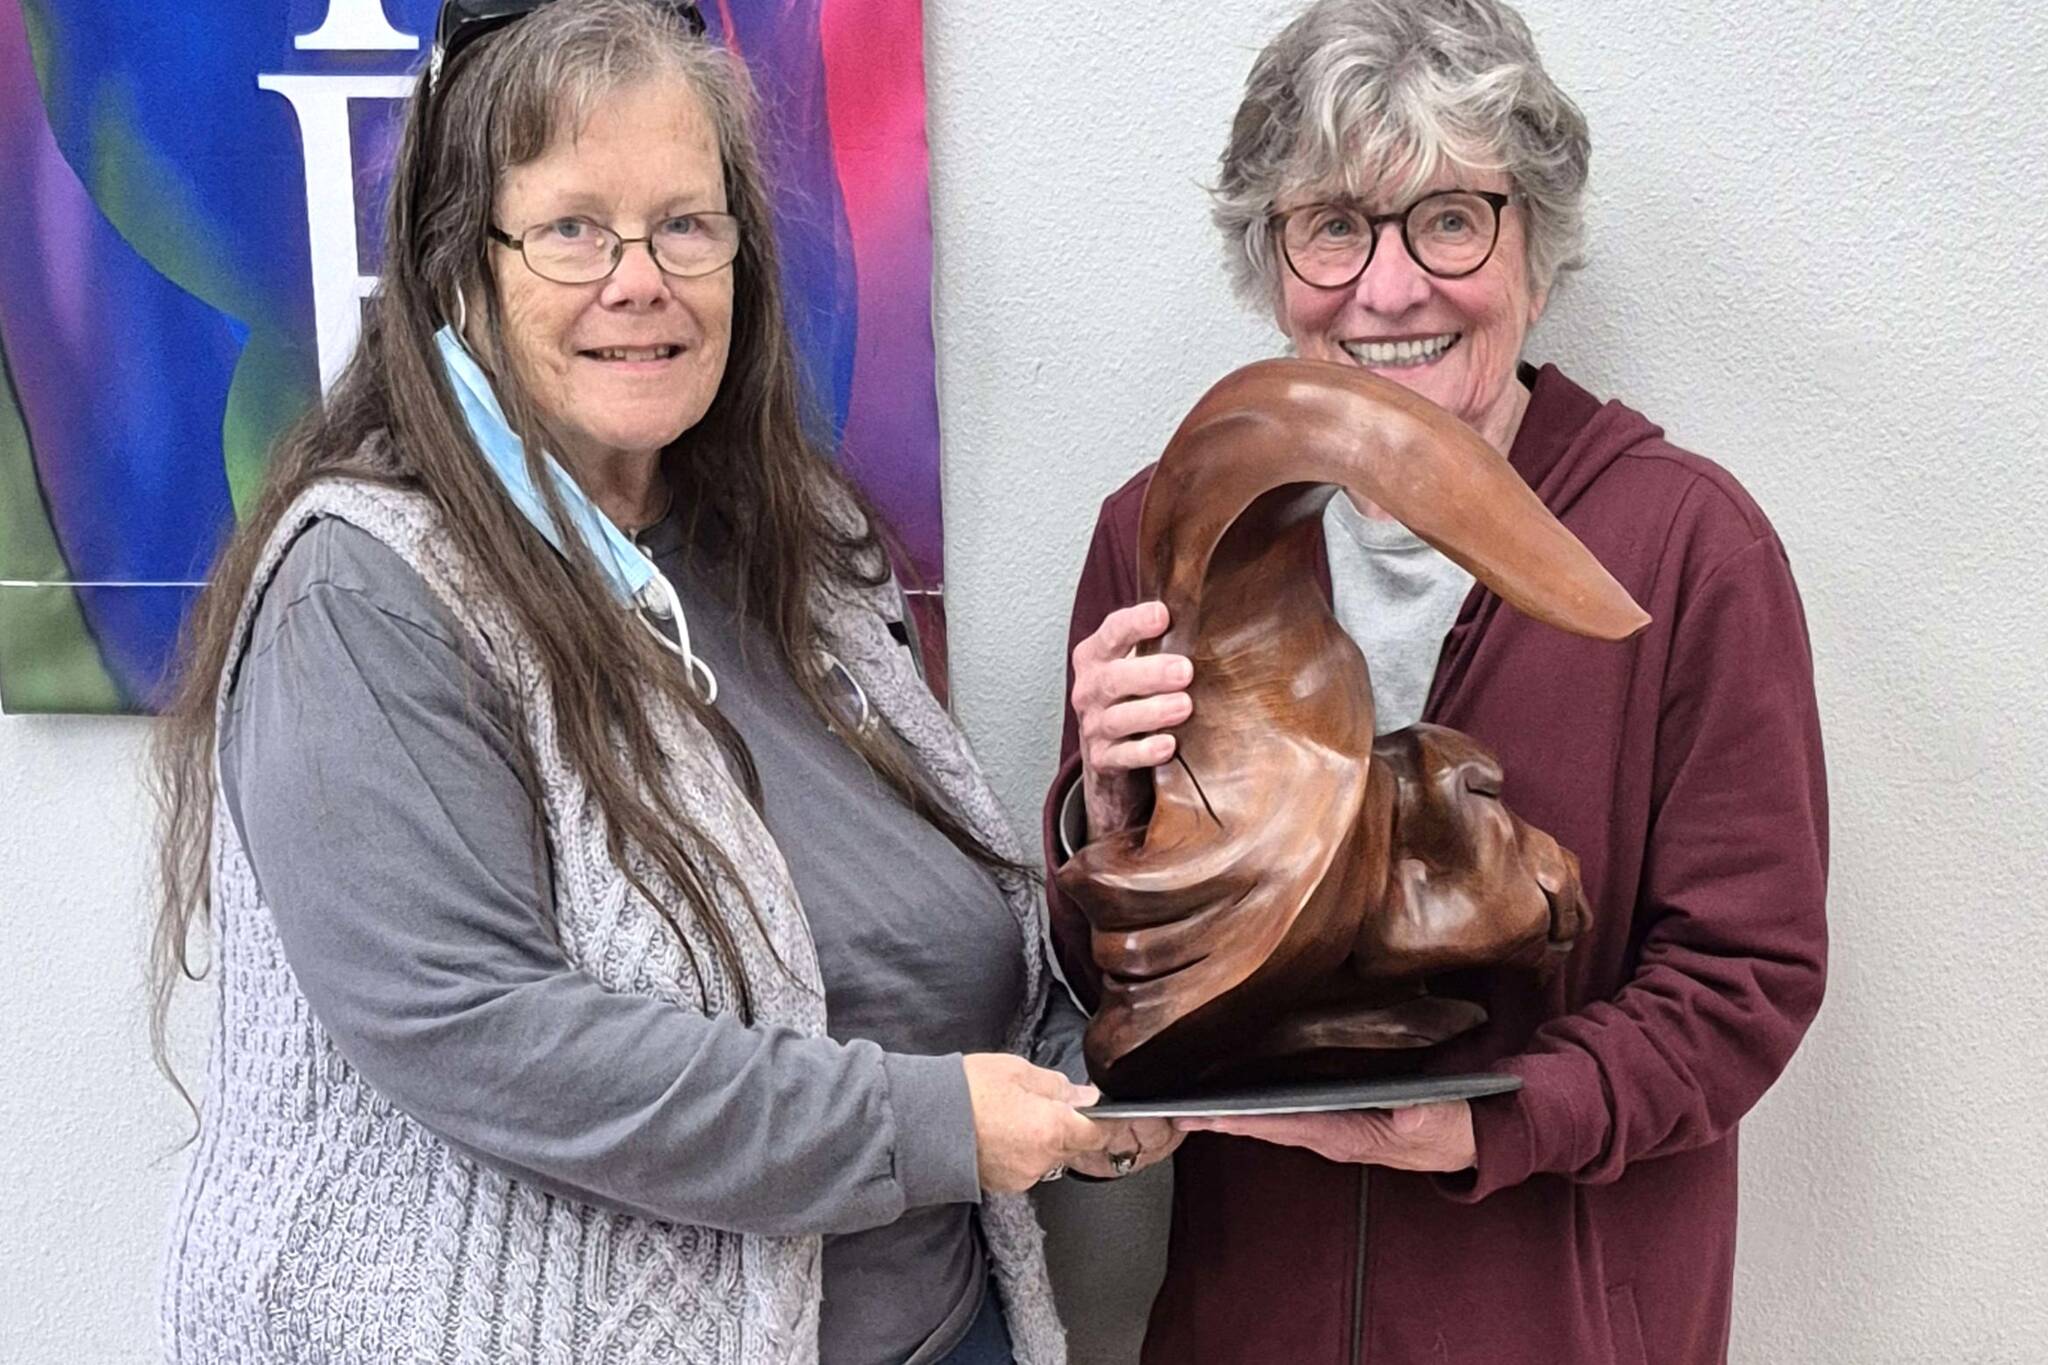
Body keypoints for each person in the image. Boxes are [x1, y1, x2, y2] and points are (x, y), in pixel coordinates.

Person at [149, 3, 1170, 1362]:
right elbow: (483, 1034)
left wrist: (1090, 1040)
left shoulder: (807, 552)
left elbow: (929, 938)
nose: (642, 279)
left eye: (686, 225)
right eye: (573, 228)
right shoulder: (365, 589)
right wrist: (930, 1127)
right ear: (460, 268)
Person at [1042, 1, 1828, 1360]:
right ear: (1272, 258)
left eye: (1449, 218)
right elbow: (1109, 989)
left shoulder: (1687, 547)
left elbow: (1745, 975)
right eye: (1334, 223)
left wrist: (1501, 1117)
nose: (1389, 288)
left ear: (1534, 247)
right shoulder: (1157, 533)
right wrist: (1102, 825)